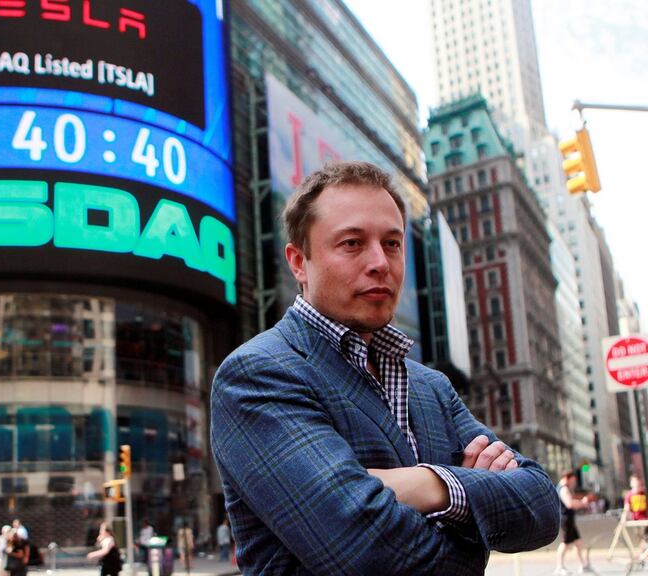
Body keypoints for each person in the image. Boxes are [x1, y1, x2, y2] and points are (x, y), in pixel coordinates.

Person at [210, 161, 561, 574]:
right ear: (299, 262)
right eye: (352, 244)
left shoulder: (433, 388)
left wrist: (429, 485)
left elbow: (542, 505)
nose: (380, 262)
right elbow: (367, 554)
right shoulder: (257, 375)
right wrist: (475, 518)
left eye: (392, 243)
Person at [556, 470, 592, 575]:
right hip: (565, 520)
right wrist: (583, 503)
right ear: (567, 478)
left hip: (569, 519)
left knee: (578, 543)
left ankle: (583, 565)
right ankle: (559, 567)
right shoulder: (563, 489)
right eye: (573, 480)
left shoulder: (563, 488)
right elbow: (570, 504)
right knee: (565, 543)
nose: (574, 483)